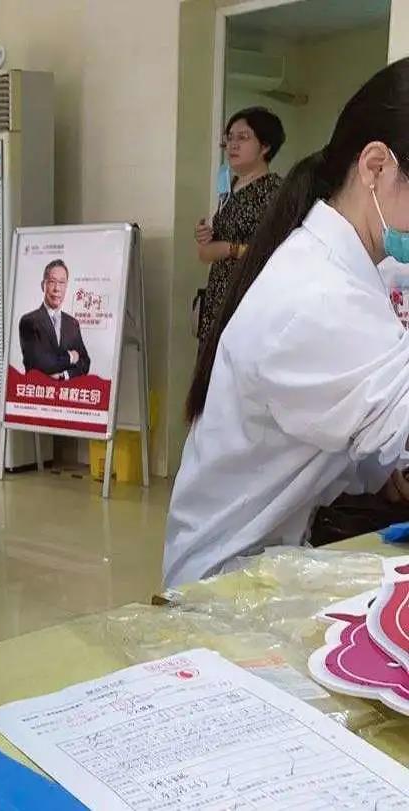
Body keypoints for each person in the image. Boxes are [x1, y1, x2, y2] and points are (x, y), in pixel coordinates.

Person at [165, 59, 409, 587]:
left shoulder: (350, 263)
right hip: (229, 589)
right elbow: (392, 414)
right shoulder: (317, 294)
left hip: (280, 553)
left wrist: (383, 468)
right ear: (375, 168)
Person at [194, 107, 284, 348]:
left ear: (265, 146)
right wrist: (205, 237)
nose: (233, 145)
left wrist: (230, 249)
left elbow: (277, 251)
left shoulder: (275, 191)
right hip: (218, 296)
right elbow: (207, 252)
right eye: (230, 138)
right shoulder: (228, 187)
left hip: (249, 298)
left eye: (243, 138)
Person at [18, 260, 90, 380]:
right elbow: (40, 364)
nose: (57, 288)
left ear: (66, 286)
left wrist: (64, 375)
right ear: (43, 285)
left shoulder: (72, 323)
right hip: (37, 389)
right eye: (52, 282)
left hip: (65, 390)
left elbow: (85, 362)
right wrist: (71, 357)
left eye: (62, 282)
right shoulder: (29, 321)